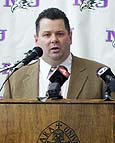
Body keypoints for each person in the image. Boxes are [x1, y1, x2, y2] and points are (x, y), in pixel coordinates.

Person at [4, 7, 105, 99]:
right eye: (47, 35)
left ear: (70, 37)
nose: (54, 40)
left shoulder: (99, 75)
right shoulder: (14, 79)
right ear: (36, 40)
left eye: (60, 34)